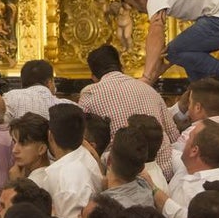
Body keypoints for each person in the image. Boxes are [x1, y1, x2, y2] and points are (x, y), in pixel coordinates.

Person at [76, 45, 179, 178]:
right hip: (163, 173)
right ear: (122, 67)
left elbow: (78, 139)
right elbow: (173, 137)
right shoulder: (149, 90)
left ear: (94, 77)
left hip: (125, 177)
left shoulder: (90, 94)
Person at [3, 60, 69, 122]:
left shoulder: (9, 97)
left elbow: (2, 125)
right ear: (49, 82)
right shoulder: (67, 105)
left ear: (22, 82)